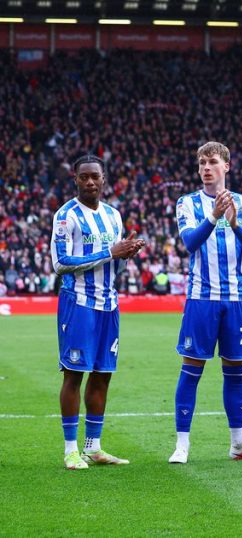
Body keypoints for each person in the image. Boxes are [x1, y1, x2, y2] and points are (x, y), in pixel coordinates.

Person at [169, 141, 242, 464]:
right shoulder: (187, 203)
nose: (205, 168)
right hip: (202, 299)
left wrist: (235, 221)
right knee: (191, 371)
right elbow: (189, 243)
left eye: (212, 162)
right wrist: (214, 217)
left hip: (237, 300)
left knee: (236, 371)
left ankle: (239, 443)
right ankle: (182, 445)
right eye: (201, 162)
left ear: (226, 166)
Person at [52, 154, 145, 470]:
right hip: (78, 303)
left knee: (103, 374)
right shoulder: (66, 216)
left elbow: (114, 264)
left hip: (109, 304)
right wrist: (110, 252)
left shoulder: (114, 216)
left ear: (104, 180)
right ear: (75, 179)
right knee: (74, 374)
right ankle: (70, 450)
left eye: (96, 176)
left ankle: (94, 447)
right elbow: (61, 263)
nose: (90, 182)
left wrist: (126, 255)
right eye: (84, 177)